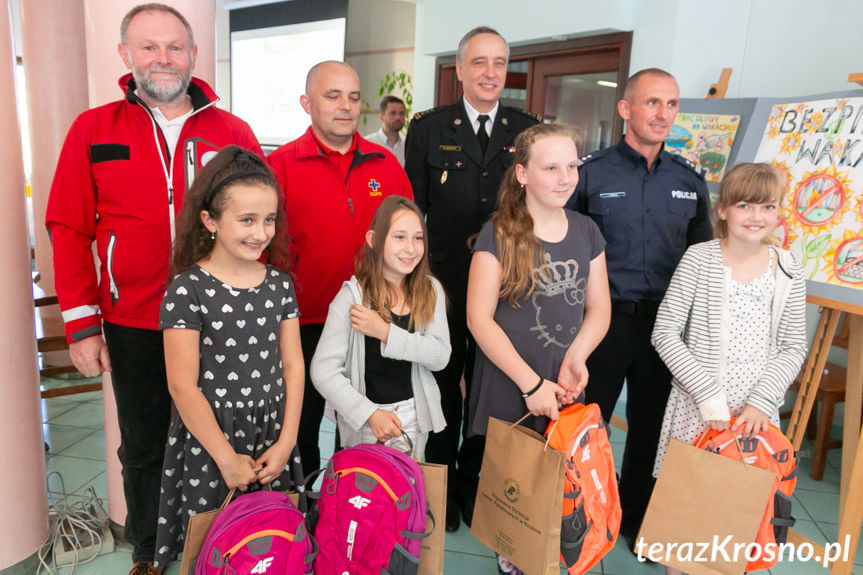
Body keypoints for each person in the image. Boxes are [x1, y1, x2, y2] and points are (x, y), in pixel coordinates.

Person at [44, 5, 263, 573]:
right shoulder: (92, 130)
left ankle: (225, 543)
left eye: (174, 47)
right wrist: (82, 325)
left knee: (219, 439)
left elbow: (261, 218)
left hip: (220, 320)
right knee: (142, 447)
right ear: (126, 56)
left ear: (193, 54)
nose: (162, 58)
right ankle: (148, 550)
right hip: (133, 320)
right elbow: (67, 228)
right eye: (148, 47)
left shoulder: (231, 132)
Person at [565, 68, 712, 547]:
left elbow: (703, 258)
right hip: (603, 325)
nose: (663, 114)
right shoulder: (589, 174)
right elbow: (566, 251)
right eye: (652, 103)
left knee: (651, 431)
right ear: (625, 109)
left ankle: (636, 524)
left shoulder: (689, 180)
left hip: (665, 331)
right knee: (588, 426)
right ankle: (579, 521)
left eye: (671, 104)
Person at [404, 26, 539, 531]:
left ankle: (478, 487)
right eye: (478, 62)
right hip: (444, 285)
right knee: (440, 387)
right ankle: (437, 488)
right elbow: (414, 212)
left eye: (499, 63)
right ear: (458, 70)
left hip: (508, 287)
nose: (489, 73)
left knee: (494, 390)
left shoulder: (526, 129)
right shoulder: (428, 128)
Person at [466, 123, 610, 574]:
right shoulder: (499, 233)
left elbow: (599, 308)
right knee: (515, 493)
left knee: (558, 485)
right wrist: (531, 384)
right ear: (523, 174)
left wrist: (576, 357)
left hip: (562, 382)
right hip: (514, 384)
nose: (565, 177)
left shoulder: (587, 231)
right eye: (551, 167)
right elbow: (479, 319)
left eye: (572, 166)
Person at [152, 146, 303, 568]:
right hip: (211, 440)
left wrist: (288, 438)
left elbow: (292, 365)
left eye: (269, 219)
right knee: (214, 546)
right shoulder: (188, 290)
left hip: (271, 433)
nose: (261, 232)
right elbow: (182, 385)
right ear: (210, 220)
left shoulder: (279, 285)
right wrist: (224, 457)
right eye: (247, 220)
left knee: (271, 542)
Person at [268, 61, 412, 475]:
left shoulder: (385, 165)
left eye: (353, 96)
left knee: (365, 424)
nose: (345, 106)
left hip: (373, 321)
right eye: (332, 96)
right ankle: (305, 511)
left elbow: (409, 239)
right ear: (307, 102)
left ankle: (351, 509)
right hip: (304, 323)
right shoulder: (279, 167)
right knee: (302, 424)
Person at [651, 162, 806, 485]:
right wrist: (707, 395)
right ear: (722, 211)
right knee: (686, 497)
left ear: (778, 212)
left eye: (767, 207)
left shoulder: (788, 267)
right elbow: (664, 333)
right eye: (744, 205)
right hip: (698, 407)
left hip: (755, 412)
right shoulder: (698, 258)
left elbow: (794, 346)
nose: (756, 216)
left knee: (740, 502)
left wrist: (761, 403)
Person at [310, 196, 450, 458]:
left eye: (418, 238)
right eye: (399, 237)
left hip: (414, 418)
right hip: (365, 422)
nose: (410, 248)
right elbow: (323, 370)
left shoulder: (431, 291)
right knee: (364, 495)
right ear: (374, 240)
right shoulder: (351, 298)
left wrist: (385, 333)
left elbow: (440, 356)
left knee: (406, 493)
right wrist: (369, 413)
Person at [365, 95, 407, 166]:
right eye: (393, 113)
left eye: (401, 113)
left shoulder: (407, 147)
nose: (398, 117)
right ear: (381, 117)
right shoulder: (368, 144)